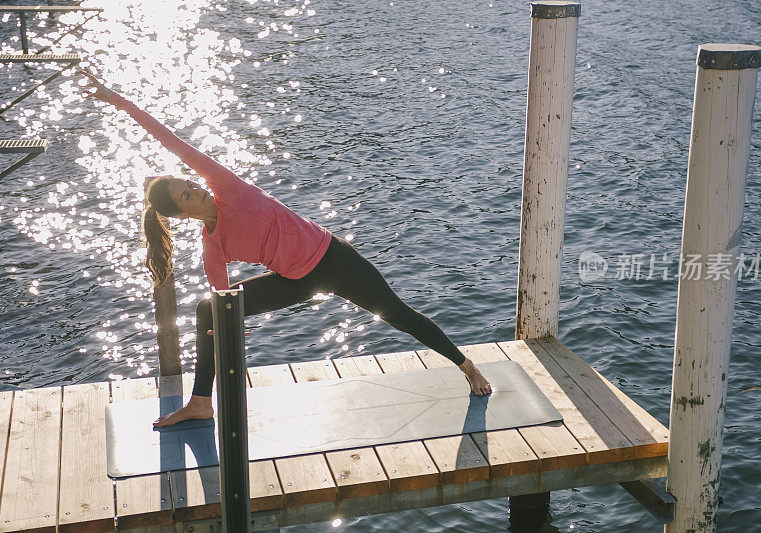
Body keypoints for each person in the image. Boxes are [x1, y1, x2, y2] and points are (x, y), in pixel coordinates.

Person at [79, 69, 492, 428]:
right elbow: (222, 299)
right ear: (183, 215)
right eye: (187, 196)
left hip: (333, 259)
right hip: (294, 280)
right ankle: (201, 403)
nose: (194, 189)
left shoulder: (227, 187)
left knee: (398, 314)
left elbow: (168, 139)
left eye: (188, 184)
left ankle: (465, 365)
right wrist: (224, 327)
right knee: (210, 309)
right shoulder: (213, 246)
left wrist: (116, 100)